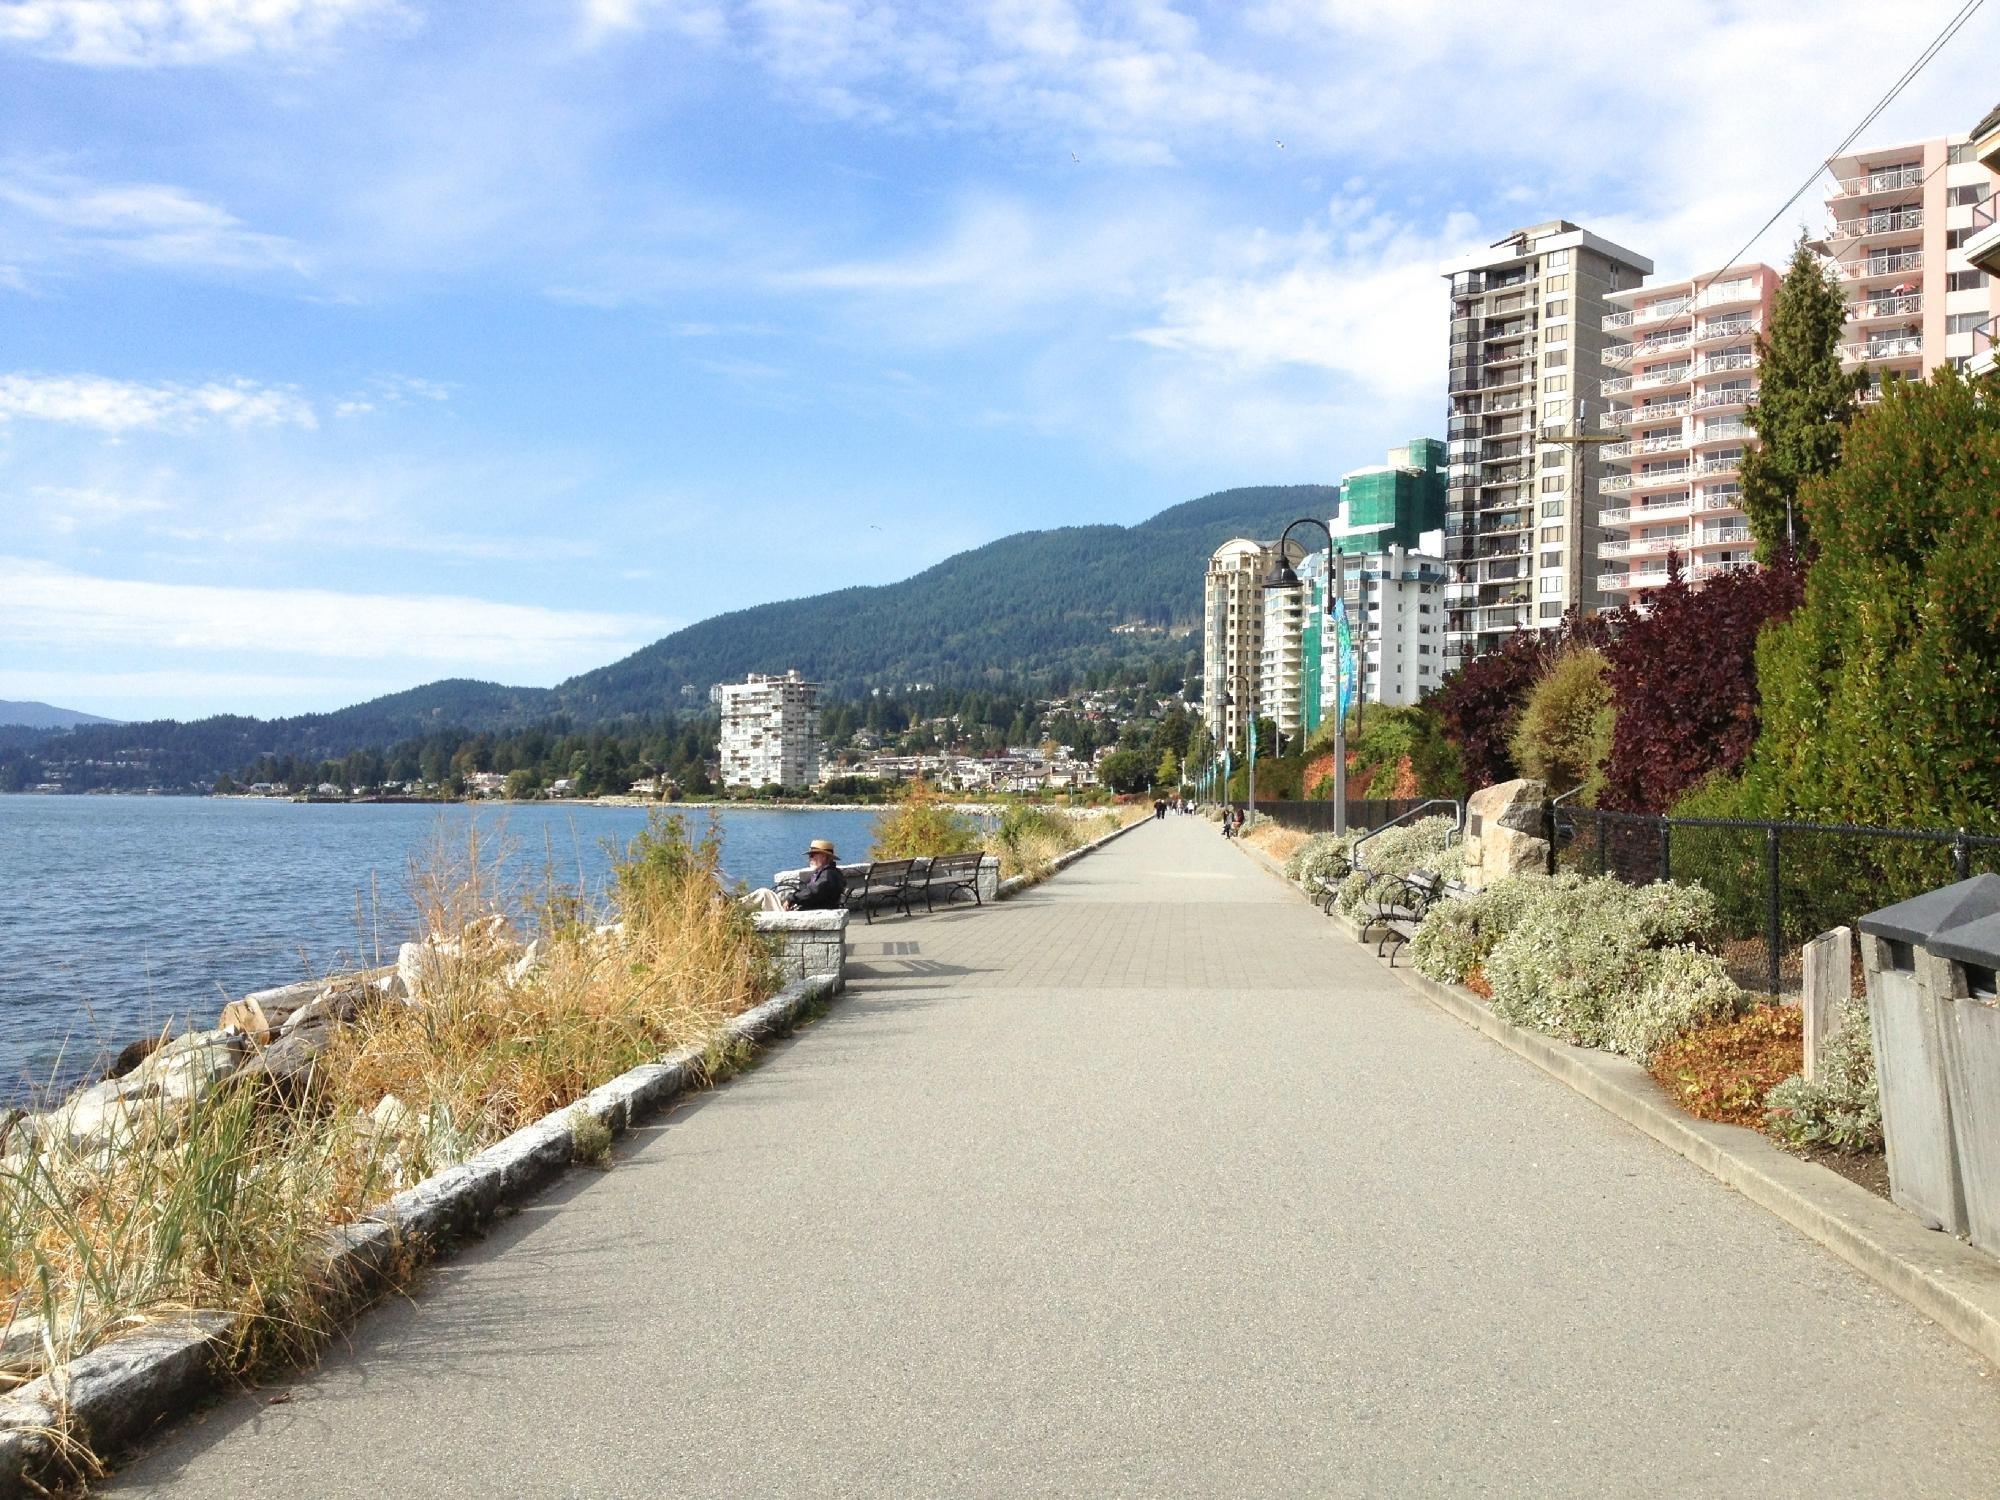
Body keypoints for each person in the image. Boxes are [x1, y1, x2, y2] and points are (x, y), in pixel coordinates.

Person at [745, 838, 847, 912]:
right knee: (766, 895)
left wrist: (791, 898)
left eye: (812, 855)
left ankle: (733, 908)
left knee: (764, 893)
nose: (809, 858)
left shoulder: (827, 875)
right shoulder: (832, 873)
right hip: (812, 911)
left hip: (810, 914)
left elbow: (812, 892)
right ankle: (734, 908)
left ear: (824, 857)